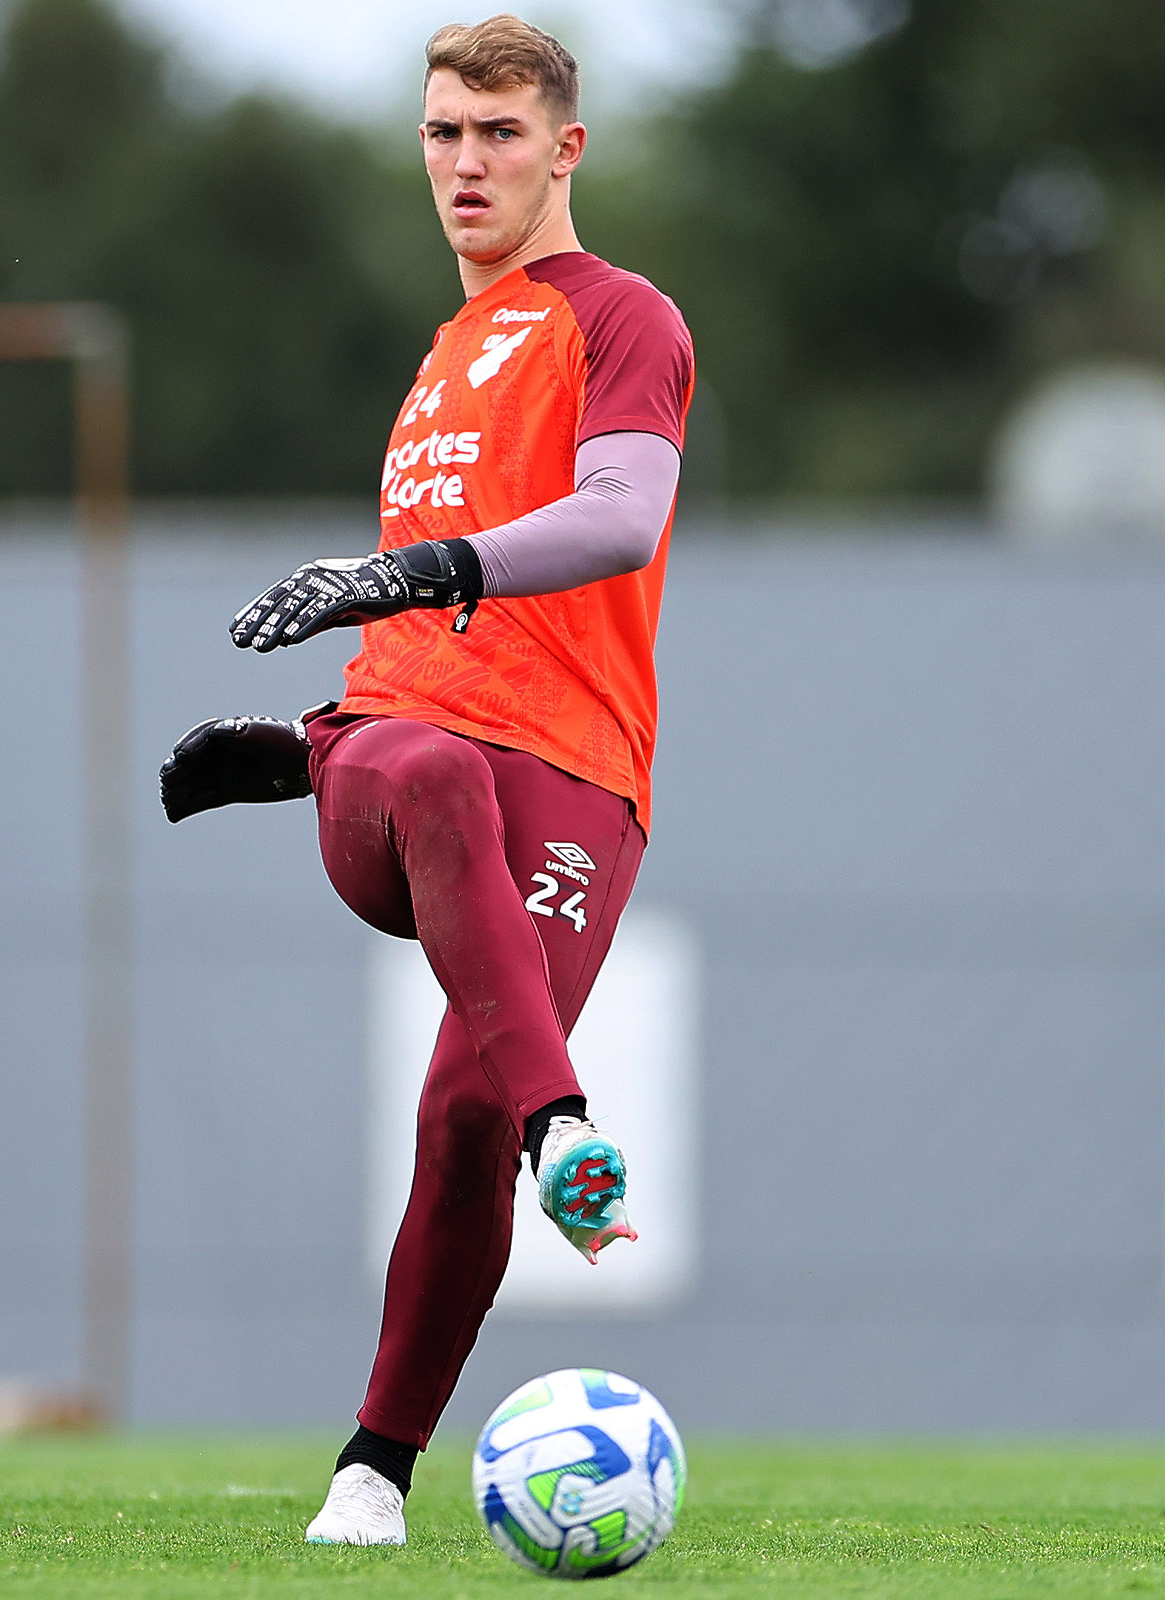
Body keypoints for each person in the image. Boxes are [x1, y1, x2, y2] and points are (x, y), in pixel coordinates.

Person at [156, 14, 695, 1548]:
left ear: (565, 146)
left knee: (461, 1116)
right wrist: (352, 692)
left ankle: (371, 1475)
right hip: (405, 772)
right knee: (425, 754)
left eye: (501, 134)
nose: (469, 162)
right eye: (446, 132)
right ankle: (566, 1126)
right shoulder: (446, 353)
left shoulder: (622, 315)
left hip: (580, 778)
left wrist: (420, 566)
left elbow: (620, 520)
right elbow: (435, 673)